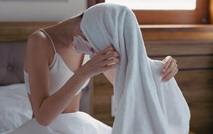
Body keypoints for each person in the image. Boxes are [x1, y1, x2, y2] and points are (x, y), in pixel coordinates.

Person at [23, 10, 178, 127]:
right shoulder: (40, 41)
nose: (95, 52)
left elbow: (130, 85)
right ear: (83, 31)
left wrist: (160, 69)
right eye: (95, 48)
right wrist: (84, 72)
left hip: (76, 131)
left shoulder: (90, 39)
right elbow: (42, 118)